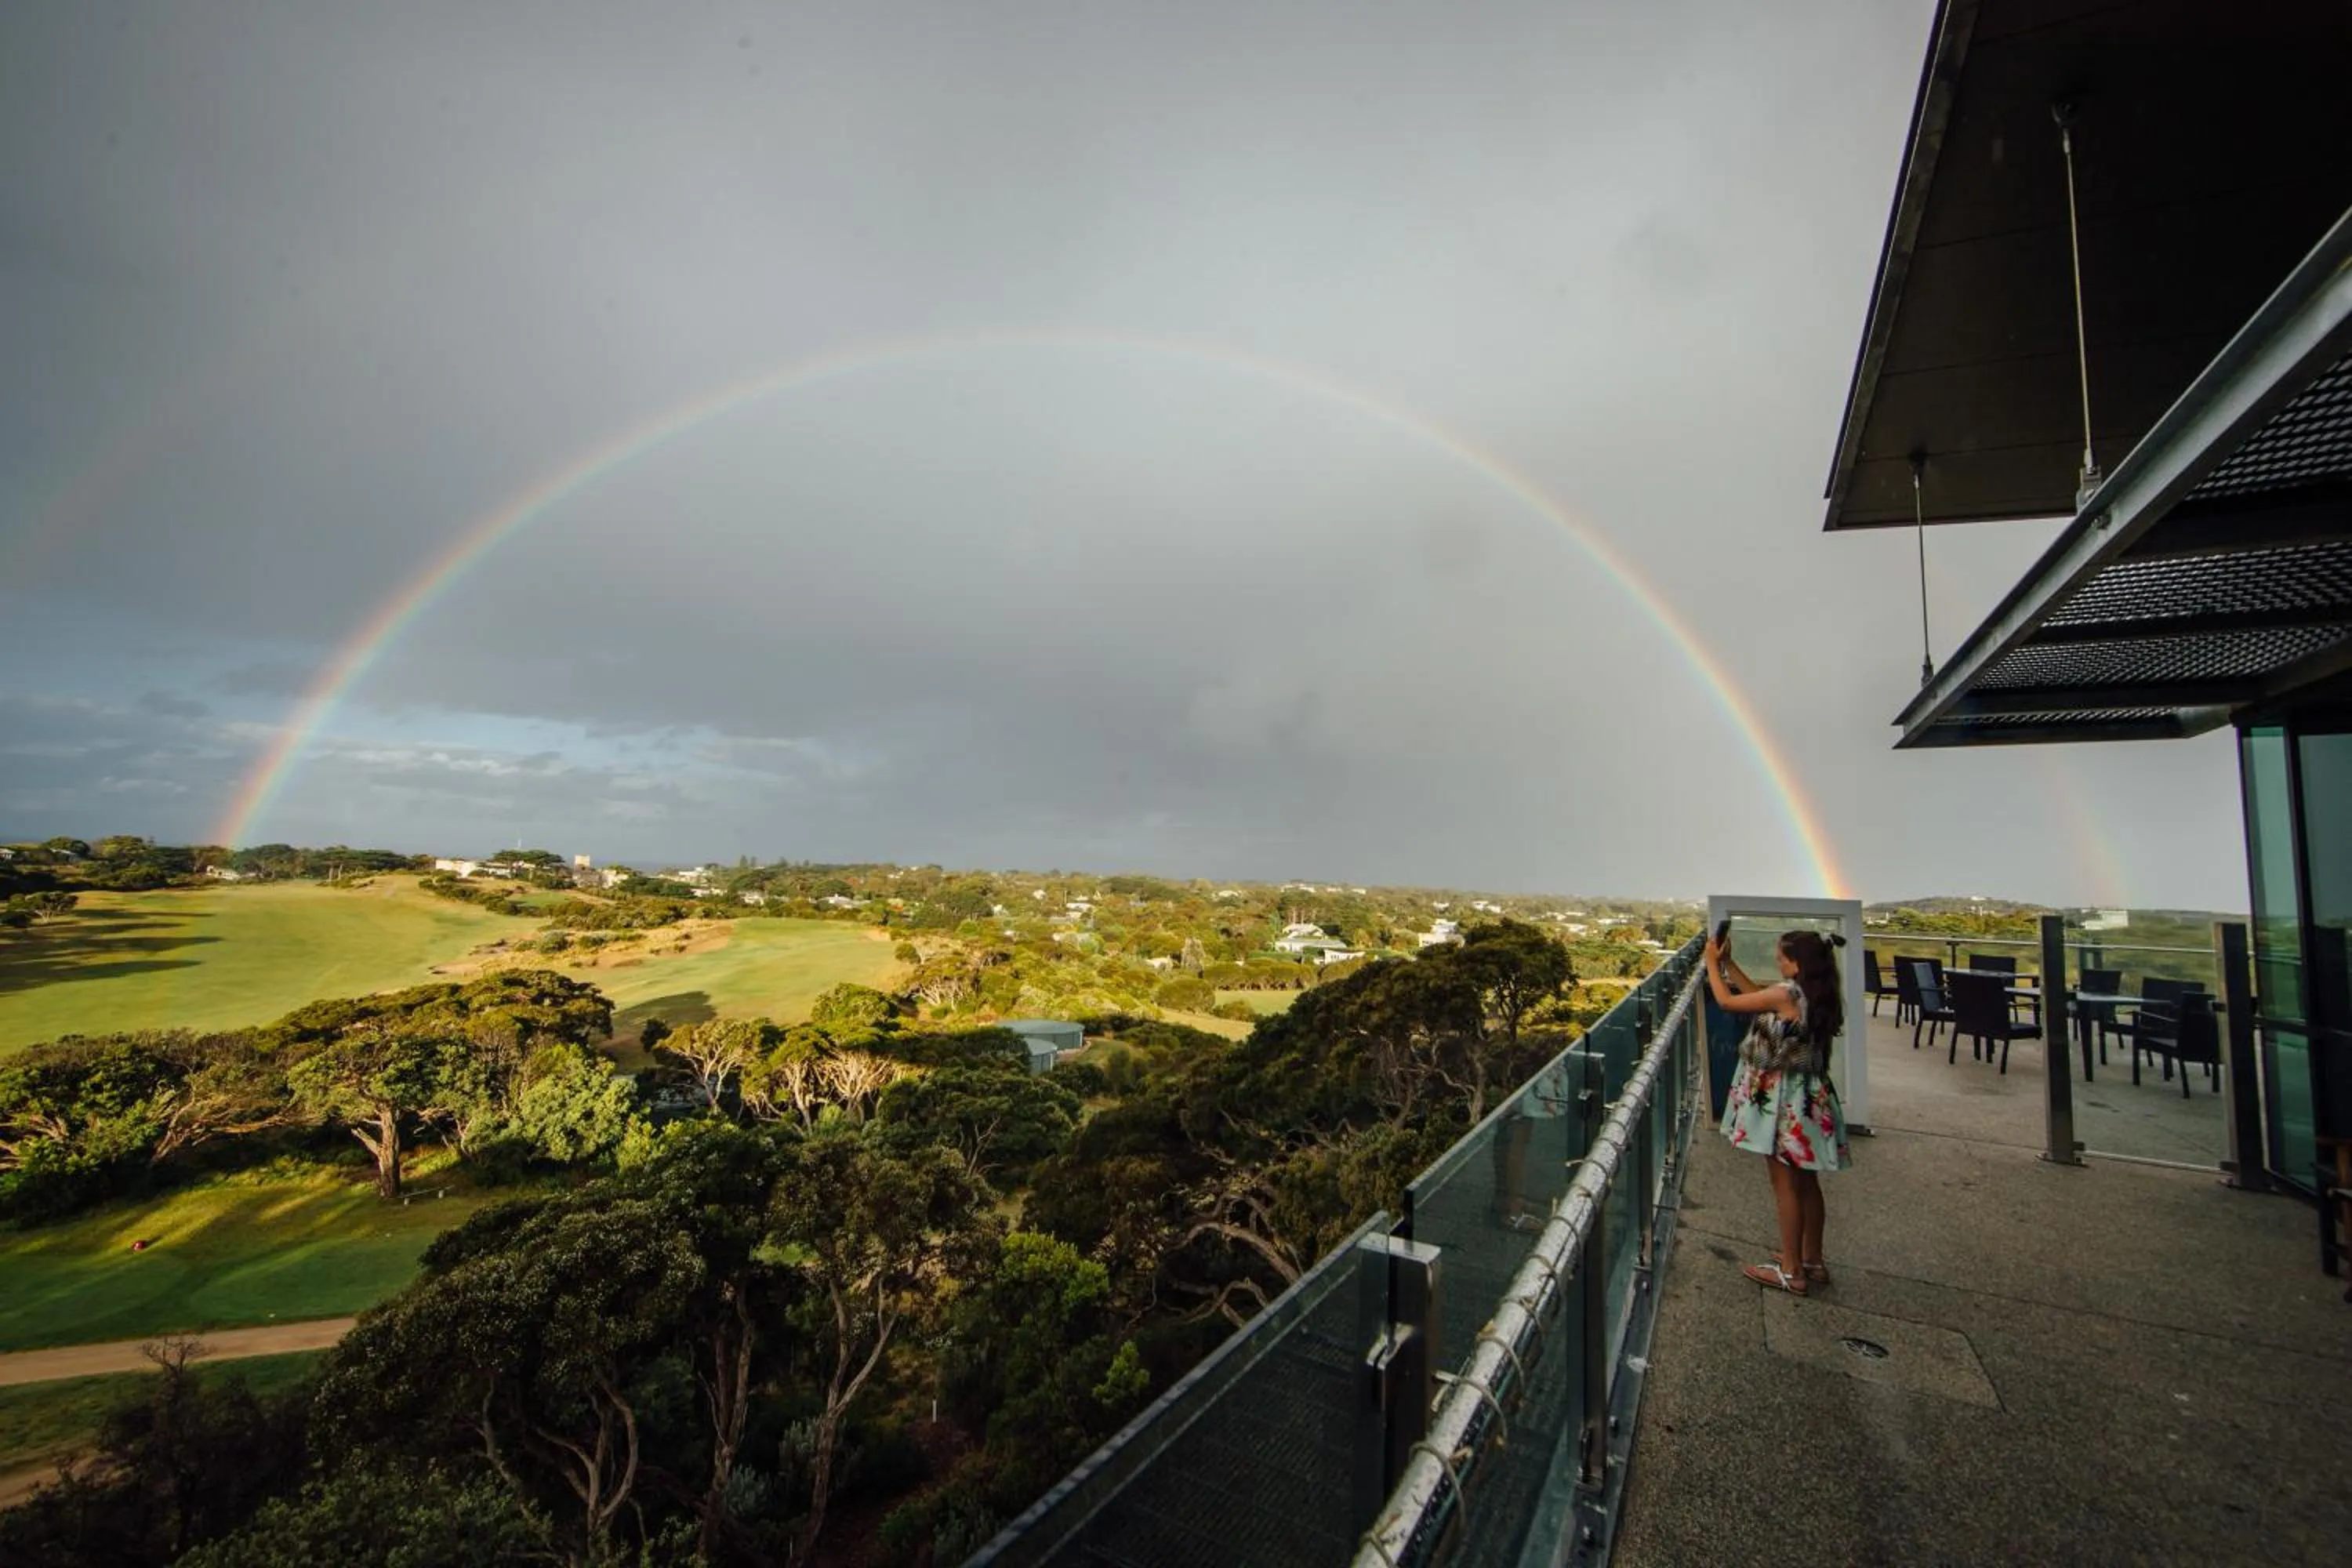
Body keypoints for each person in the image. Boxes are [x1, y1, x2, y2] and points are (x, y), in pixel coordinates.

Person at [1704, 927, 1853, 1294]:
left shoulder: (1787, 994)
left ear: (1797, 964)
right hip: (1807, 1097)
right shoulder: (1814, 994)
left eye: (1782, 957)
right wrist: (1728, 963)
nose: (1777, 960)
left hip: (1783, 1102)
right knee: (1806, 1183)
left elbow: (1726, 1002)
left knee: (1785, 1186)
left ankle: (1790, 1270)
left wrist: (1710, 963)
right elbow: (1757, 997)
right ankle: (1811, 1258)